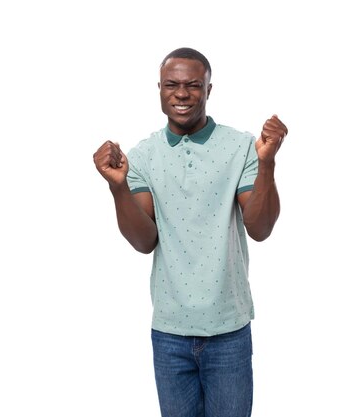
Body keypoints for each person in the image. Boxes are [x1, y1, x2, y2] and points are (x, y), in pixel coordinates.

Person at [93, 47, 288, 417]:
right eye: (172, 84)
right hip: (169, 332)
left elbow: (260, 228)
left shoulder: (241, 146)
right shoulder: (144, 155)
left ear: (209, 90)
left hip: (228, 329)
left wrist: (267, 164)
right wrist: (117, 187)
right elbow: (143, 241)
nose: (182, 93)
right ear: (159, 89)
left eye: (193, 85)